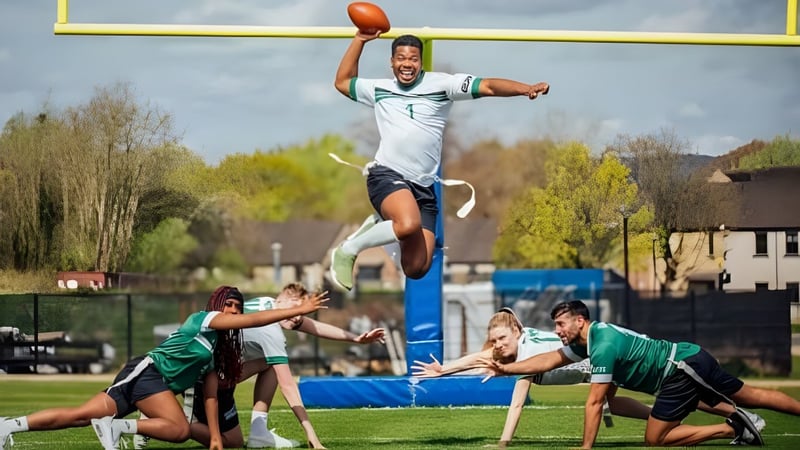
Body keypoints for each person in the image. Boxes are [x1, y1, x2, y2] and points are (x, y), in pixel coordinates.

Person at [329, 32, 550, 291]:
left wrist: (526, 89)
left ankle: (380, 225)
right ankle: (348, 249)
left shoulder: (443, 85)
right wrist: (361, 40)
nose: (407, 64)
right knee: (408, 223)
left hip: (422, 186)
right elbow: (343, 82)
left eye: (413, 59)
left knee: (416, 267)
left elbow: (488, 86)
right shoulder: (379, 89)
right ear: (392, 62)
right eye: (401, 58)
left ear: (421, 63)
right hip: (387, 175)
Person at [0, 286, 327, 450]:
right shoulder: (205, 319)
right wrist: (292, 312)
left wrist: (215, 437)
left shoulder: (217, 347)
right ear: (217, 306)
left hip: (154, 384)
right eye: (229, 305)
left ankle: (6, 426)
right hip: (146, 372)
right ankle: (116, 428)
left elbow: (210, 392)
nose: (234, 311)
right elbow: (253, 319)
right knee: (175, 429)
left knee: (85, 416)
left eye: (237, 307)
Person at [411, 307, 761, 448]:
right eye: (496, 340)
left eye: (504, 337)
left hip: (601, 362)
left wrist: (504, 442)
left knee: (616, 403)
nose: (498, 344)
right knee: (622, 403)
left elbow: (516, 407)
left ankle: (737, 417)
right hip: (592, 370)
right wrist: (443, 369)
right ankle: (736, 417)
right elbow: (475, 358)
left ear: (518, 331)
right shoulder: (505, 356)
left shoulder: (531, 353)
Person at [480, 300, 800, 448]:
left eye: (561, 325)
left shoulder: (602, 345)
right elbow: (547, 361)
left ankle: (734, 428)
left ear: (580, 321)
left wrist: (585, 448)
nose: (557, 331)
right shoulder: (587, 340)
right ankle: (740, 425)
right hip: (684, 365)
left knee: (655, 439)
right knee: (749, 396)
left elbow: (595, 403)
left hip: (680, 370)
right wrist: (507, 368)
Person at [186, 283, 385, 449]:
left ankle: (259, 432)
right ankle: (176, 423)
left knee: (235, 441)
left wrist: (356, 339)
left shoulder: (269, 304)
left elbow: (315, 327)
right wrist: (312, 436)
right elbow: (288, 386)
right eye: (296, 308)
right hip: (202, 378)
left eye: (302, 310)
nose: (298, 316)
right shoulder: (272, 330)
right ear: (281, 301)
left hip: (215, 372)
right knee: (192, 432)